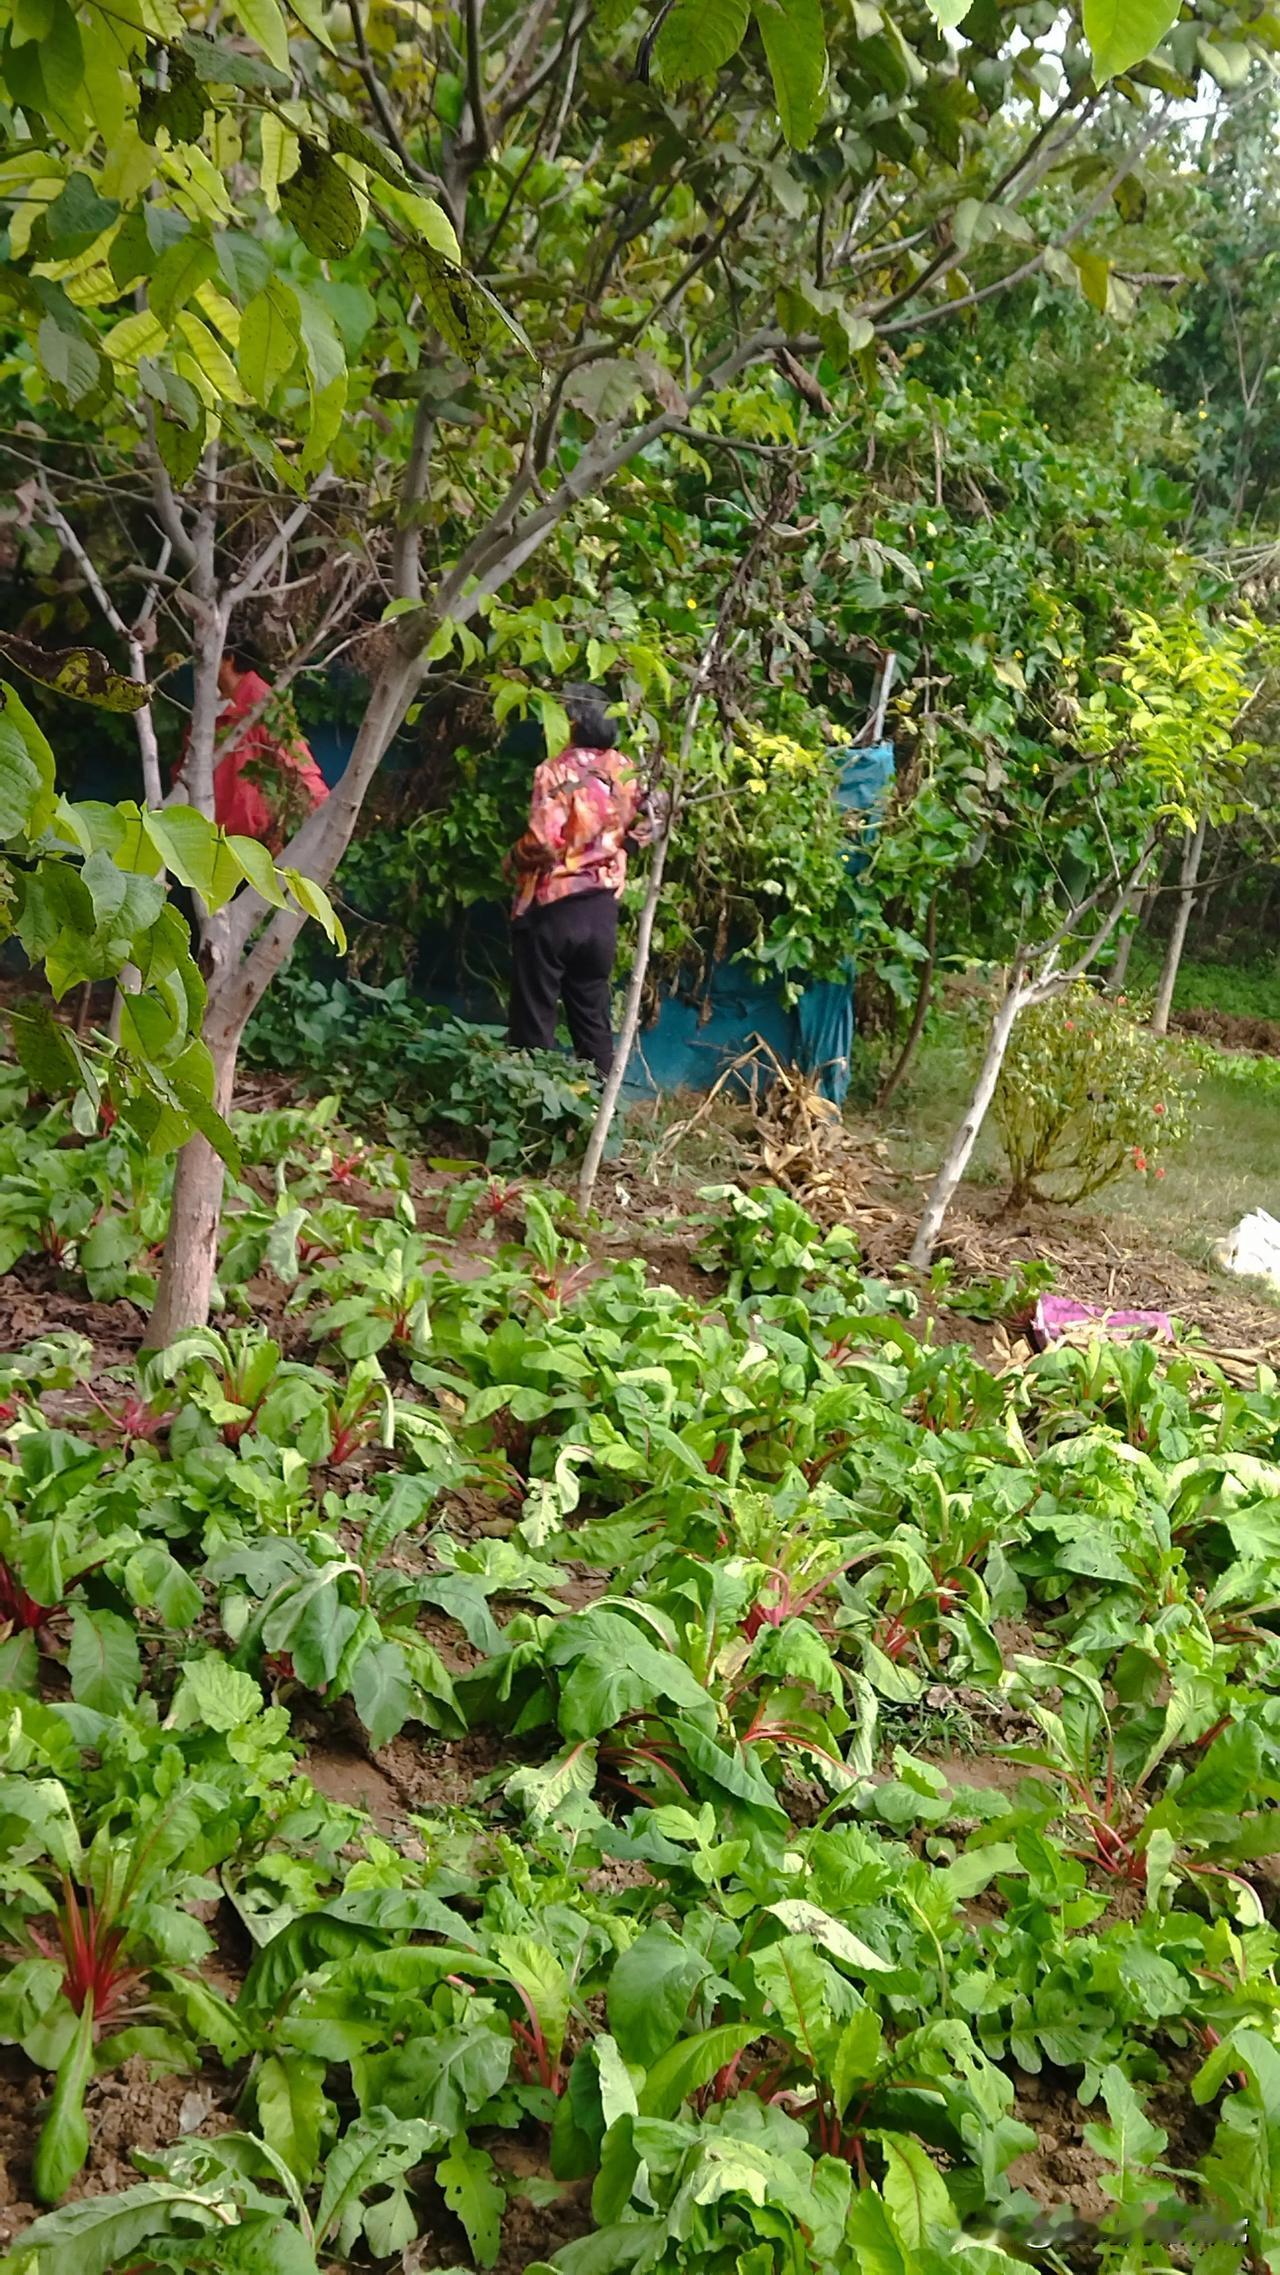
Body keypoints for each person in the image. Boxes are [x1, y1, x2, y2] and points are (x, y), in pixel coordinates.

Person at [505, 689, 657, 1079]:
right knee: (592, 1019)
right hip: (602, 910)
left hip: (554, 908)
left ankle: (530, 1107)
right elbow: (654, 821)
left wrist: (514, 858)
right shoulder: (625, 770)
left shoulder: (556, 773)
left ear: (571, 721)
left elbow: (542, 841)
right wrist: (620, 848)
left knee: (534, 1020)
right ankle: (598, 1115)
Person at [173, 648, 329, 851]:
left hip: (250, 843)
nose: (198, 664)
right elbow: (184, 769)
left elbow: (297, 763)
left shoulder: (261, 703)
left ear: (229, 658)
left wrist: (327, 815)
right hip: (208, 837)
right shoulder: (209, 705)